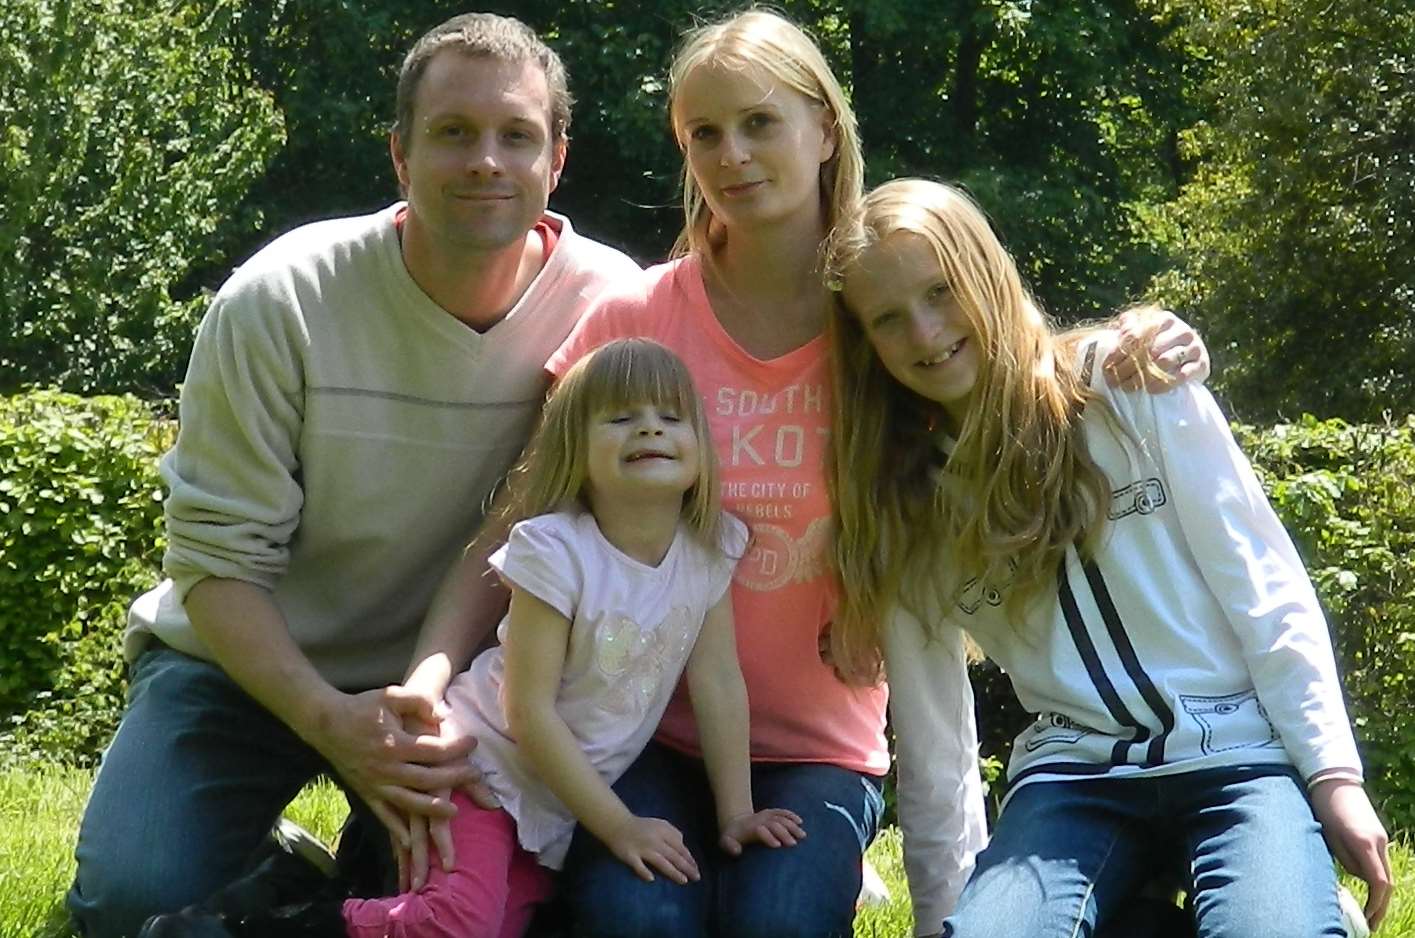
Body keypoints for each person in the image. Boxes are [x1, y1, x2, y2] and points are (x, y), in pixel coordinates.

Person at [529, 11, 1212, 938]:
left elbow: (1000, 364)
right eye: (704, 134)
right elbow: (531, 514)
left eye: (760, 122)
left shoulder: (877, 317)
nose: (732, 153)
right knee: (637, 921)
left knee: (778, 924)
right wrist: (439, 671)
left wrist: (1128, 338)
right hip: (646, 730)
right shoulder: (636, 319)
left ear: (822, 126)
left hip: (819, 745)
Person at [67, 13, 641, 936]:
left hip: (463, 687)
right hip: (246, 668)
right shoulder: (279, 297)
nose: (485, 161)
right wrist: (330, 720)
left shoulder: (610, 308)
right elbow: (216, 566)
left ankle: (312, 881)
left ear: (557, 160)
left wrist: (434, 701)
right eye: (452, 133)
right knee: (131, 900)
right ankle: (266, 855)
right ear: (401, 157)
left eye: (515, 136)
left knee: (449, 911)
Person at [822, 177, 1394, 938]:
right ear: (865, 344)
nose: (925, 334)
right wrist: (940, 917)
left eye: (941, 292)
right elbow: (936, 743)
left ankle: (1291, 891)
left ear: (988, 272)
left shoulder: (1126, 384)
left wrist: (1331, 777)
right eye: (888, 320)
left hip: (1235, 754)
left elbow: (1260, 579)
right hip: (1072, 780)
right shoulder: (903, 503)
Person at [140, 338, 806, 938]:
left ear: (699, 444)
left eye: (669, 415)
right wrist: (617, 825)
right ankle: (243, 928)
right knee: (456, 921)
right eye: (621, 416)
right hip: (478, 768)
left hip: (551, 799)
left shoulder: (708, 549)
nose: (649, 428)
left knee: (500, 925)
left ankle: (300, 884)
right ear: (576, 448)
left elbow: (718, 683)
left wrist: (735, 813)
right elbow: (529, 711)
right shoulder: (555, 551)